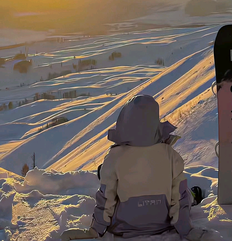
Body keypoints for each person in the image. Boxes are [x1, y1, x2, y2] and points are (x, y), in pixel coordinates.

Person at [61, 94, 215, 241]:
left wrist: (95, 230)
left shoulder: (115, 156)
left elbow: (106, 198)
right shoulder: (170, 154)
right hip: (162, 224)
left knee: (109, 179)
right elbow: (179, 196)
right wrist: (186, 230)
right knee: (184, 192)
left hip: (124, 226)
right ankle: (194, 197)